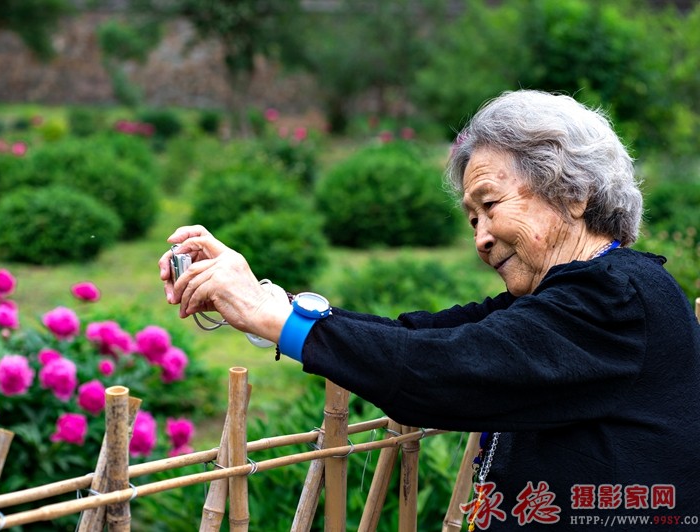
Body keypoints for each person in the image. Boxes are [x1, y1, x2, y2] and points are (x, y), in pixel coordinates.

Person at [158, 90, 700, 529]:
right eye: (472, 220)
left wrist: (271, 316)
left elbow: (441, 370)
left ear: (574, 193)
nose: (482, 238)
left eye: (490, 205)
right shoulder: (568, 297)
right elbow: (418, 337)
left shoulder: (613, 300)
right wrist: (268, 303)